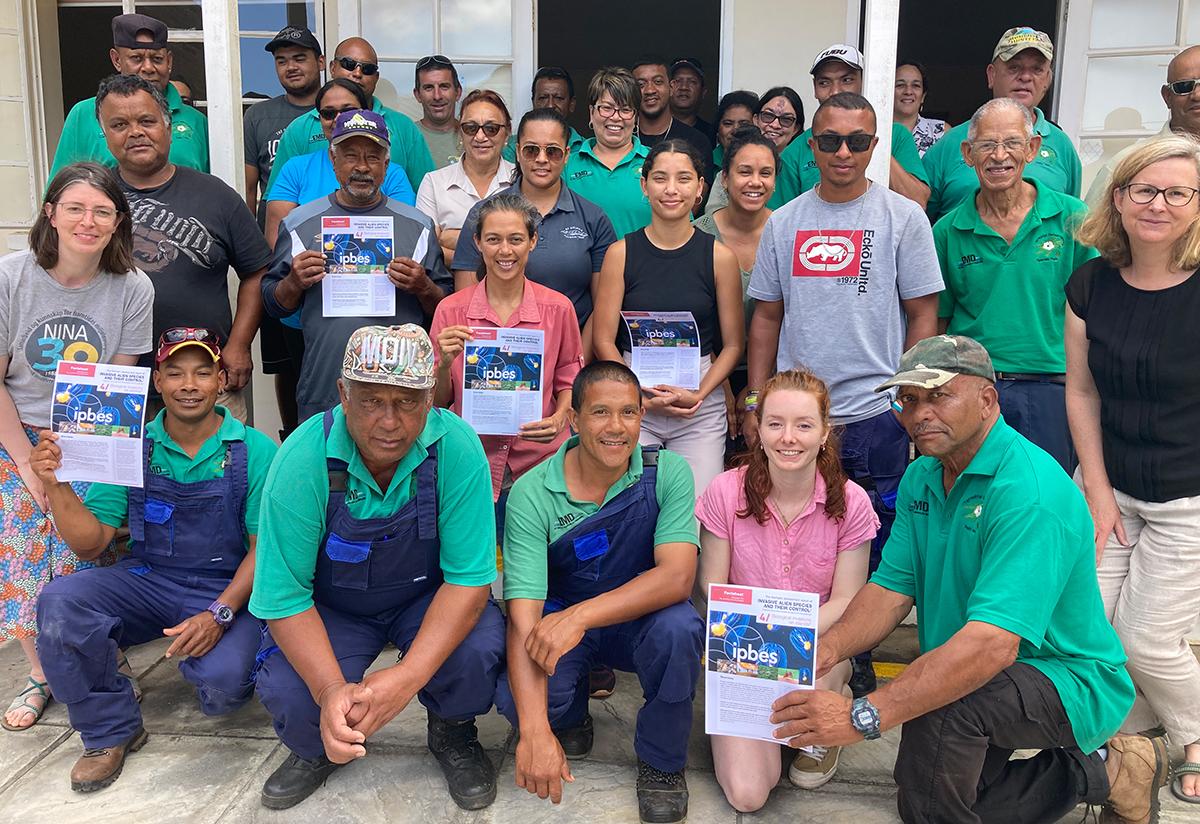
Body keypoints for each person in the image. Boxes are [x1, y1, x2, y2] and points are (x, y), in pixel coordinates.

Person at [770, 334, 1164, 824]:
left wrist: (860, 715)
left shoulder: (1029, 493)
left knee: (938, 707)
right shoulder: (923, 475)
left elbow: (992, 646)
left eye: (939, 395)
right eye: (909, 400)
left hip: (1065, 676)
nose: (920, 413)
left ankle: (1102, 764)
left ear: (987, 400)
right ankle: (1109, 771)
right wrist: (826, 649)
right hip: (977, 664)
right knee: (937, 796)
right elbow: (890, 591)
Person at [250, 324, 505, 811]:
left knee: (475, 651)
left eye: (407, 402)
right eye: (371, 401)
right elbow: (282, 597)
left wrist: (407, 677)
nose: (389, 422)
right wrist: (328, 690)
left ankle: (452, 731)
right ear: (344, 394)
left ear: (430, 398)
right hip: (335, 609)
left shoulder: (458, 447)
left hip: (424, 600)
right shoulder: (302, 458)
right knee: (292, 692)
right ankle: (316, 747)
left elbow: (470, 582)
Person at [746, 93, 943, 696]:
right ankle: (811, 647)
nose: (843, 152)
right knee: (803, 533)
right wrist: (756, 404)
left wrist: (908, 400)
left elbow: (923, 314)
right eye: (830, 139)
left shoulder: (903, 218)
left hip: (875, 412)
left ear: (875, 146)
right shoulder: (785, 221)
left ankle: (855, 648)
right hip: (797, 418)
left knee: (875, 538)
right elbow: (765, 320)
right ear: (811, 145)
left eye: (857, 141)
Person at [31, 328, 277, 791]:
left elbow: (265, 550)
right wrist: (56, 482)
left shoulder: (255, 450)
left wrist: (219, 614)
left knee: (223, 689)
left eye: (203, 372)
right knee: (61, 602)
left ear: (221, 381)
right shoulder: (127, 443)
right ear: (157, 383)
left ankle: (217, 658)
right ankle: (108, 731)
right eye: (175, 373)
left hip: (227, 586)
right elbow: (91, 545)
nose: (189, 384)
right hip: (149, 580)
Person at [494, 360, 703, 824]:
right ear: (574, 419)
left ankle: (662, 762)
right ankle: (569, 717)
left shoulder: (667, 472)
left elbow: (675, 578)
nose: (616, 428)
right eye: (600, 413)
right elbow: (524, 615)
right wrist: (534, 731)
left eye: (629, 413)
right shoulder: (532, 493)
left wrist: (582, 616)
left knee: (680, 628)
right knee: (517, 698)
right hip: (562, 618)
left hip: (639, 619)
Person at [1068, 134, 1200, 806]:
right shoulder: (1092, 282)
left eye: (1178, 192)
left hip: (1189, 498)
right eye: (1143, 189)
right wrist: (1094, 489)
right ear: (1117, 198)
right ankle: (1129, 740)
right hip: (1111, 482)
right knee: (1094, 628)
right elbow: (1083, 391)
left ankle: (1194, 728)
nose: (1158, 204)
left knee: (1146, 641)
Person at [0, 162, 153, 731]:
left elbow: (117, 384)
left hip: (90, 431)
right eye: (75, 208)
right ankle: (44, 674)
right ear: (50, 214)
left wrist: (78, 469)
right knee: (21, 535)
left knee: (87, 538)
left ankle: (97, 657)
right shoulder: (11, 277)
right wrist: (26, 464)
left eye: (102, 211)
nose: (88, 222)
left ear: (117, 222)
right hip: (15, 432)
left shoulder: (134, 287)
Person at [697, 369, 876, 811]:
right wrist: (759, 633)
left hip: (815, 646)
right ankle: (769, 722)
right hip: (744, 646)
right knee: (748, 794)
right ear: (757, 428)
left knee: (808, 708)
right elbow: (711, 584)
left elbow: (848, 600)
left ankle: (836, 692)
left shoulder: (852, 502)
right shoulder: (725, 491)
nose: (788, 438)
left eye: (803, 425)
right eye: (775, 423)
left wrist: (788, 632)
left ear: (824, 431)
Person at [934, 98, 1097, 473]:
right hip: (976, 387)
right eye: (987, 145)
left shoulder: (1073, 218)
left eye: (1012, 142)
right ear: (967, 153)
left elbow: (1097, 311)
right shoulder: (946, 230)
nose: (999, 155)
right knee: (974, 495)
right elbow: (937, 322)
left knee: (1045, 497)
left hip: (1056, 387)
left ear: (1033, 148)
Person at [98, 74, 271, 424]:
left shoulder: (216, 196)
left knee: (224, 475)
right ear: (104, 132)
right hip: (115, 383)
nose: (135, 132)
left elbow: (257, 271)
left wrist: (238, 345)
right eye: (120, 124)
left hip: (206, 379)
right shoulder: (91, 197)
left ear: (167, 124)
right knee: (130, 480)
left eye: (146, 121)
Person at [261, 109, 451, 423]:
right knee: (327, 470)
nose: (362, 167)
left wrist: (424, 287)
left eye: (373, 157)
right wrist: (293, 282)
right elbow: (272, 304)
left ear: (386, 166)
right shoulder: (300, 223)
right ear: (333, 161)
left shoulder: (419, 226)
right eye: (350, 156)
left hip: (399, 389)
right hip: (325, 386)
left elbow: (444, 307)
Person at [592, 139, 744, 495]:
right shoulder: (620, 253)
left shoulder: (720, 257)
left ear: (700, 188)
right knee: (629, 508)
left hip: (699, 404)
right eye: (660, 178)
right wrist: (633, 397)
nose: (671, 189)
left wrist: (701, 395)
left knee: (697, 511)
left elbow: (735, 344)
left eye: (684, 179)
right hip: (632, 395)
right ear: (644, 186)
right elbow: (602, 339)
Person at [432, 193, 583, 524]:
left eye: (516, 239)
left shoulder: (558, 309)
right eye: (493, 239)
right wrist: (443, 364)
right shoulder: (451, 310)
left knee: (534, 565)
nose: (505, 251)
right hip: (470, 460)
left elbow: (568, 377)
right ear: (477, 243)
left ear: (532, 241)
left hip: (538, 459)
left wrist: (560, 418)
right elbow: (439, 403)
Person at [453, 108, 617, 359]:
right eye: (531, 150)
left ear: (566, 156)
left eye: (552, 151)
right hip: (496, 358)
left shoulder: (593, 218)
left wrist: (575, 366)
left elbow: (601, 307)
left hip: (570, 352)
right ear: (518, 152)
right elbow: (466, 303)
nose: (542, 159)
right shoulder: (483, 215)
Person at [924, 27, 1082, 223]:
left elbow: (1073, 224)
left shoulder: (1062, 145)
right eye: (1014, 67)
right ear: (992, 75)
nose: (1025, 77)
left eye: (1037, 69)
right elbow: (918, 221)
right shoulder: (951, 143)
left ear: (1047, 80)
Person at [264, 37, 435, 202]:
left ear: (376, 77)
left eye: (367, 69)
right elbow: (278, 203)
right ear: (332, 67)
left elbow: (425, 194)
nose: (357, 73)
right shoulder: (299, 129)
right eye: (348, 64)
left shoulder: (403, 127)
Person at [50, 13, 209, 179]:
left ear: (169, 61)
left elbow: (212, 187)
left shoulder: (196, 121)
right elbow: (61, 187)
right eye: (136, 58)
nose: (148, 67)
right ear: (117, 60)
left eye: (157, 59)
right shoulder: (83, 114)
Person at [774, 45, 929, 209]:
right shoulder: (797, 150)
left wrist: (868, 143)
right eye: (824, 82)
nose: (835, 91)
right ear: (815, 89)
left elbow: (918, 201)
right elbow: (782, 218)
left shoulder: (895, 135)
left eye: (846, 80)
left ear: (864, 82)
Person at [694, 126, 776, 407]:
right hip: (705, 371)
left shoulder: (789, 234)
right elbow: (692, 317)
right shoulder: (697, 237)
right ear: (725, 179)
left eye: (765, 173)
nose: (755, 182)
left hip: (778, 374)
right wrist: (720, 384)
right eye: (744, 172)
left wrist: (759, 389)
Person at [1085, 45, 1200, 206]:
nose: (1196, 95)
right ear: (1167, 97)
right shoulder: (1124, 164)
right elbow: (1090, 228)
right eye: (1184, 86)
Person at [416, 90, 516, 268]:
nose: (480, 137)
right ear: (460, 132)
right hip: (450, 290)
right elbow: (427, 248)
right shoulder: (434, 182)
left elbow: (533, 246)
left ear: (507, 132)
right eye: (470, 128)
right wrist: (497, 255)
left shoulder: (521, 180)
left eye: (491, 128)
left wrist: (449, 238)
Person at [244, 26, 325, 225]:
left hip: (329, 224)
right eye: (282, 61)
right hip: (274, 227)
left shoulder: (336, 112)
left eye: (300, 58)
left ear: (321, 62)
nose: (290, 67)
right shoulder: (258, 115)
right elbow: (248, 186)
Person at [564, 67, 651, 239]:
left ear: (635, 118)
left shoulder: (656, 162)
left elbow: (679, 226)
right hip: (585, 266)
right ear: (591, 112)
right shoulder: (567, 165)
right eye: (607, 108)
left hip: (644, 265)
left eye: (625, 109)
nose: (615, 117)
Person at [632, 57, 713, 179]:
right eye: (641, 84)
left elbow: (697, 195)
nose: (649, 90)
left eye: (658, 82)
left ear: (672, 87)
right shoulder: (622, 137)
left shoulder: (697, 141)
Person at [501, 67, 585, 163]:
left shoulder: (585, 149)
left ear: (571, 104)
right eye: (543, 98)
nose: (550, 105)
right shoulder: (512, 146)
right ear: (533, 102)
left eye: (558, 98)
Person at [703, 90, 759, 217]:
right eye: (728, 123)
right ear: (718, 129)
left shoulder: (768, 163)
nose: (735, 130)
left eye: (744, 124)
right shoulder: (705, 161)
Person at [413, 54, 464, 170]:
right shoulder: (408, 136)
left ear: (458, 92)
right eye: (429, 88)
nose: (437, 96)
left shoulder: (473, 135)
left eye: (444, 86)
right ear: (417, 95)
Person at [894, 60, 948, 157]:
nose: (908, 91)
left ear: (923, 96)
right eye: (900, 85)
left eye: (915, 85)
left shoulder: (942, 132)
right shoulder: (875, 130)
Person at [668, 57, 713, 142]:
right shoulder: (654, 129)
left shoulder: (711, 134)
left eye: (692, 82)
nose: (684, 87)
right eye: (677, 81)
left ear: (703, 92)